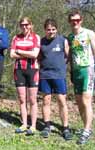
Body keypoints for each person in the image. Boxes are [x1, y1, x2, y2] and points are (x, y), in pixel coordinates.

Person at [39, 19, 72, 140]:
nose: (51, 31)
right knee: (46, 101)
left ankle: (65, 128)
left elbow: (68, 57)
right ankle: (47, 126)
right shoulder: (41, 41)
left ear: (56, 29)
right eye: (48, 29)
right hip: (45, 75)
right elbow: (39, 57)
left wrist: (62, 66)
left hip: (59, 75)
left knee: (61, 101)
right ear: (45, 30)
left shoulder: (63, 40)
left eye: (53, 29)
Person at [67, 10, 95, 144]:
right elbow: (71, 56)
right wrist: (71, 71)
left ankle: (86, 130)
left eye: (77, 20)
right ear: (69, 22)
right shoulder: (70, 37)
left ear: (81, 20)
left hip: (88, 70)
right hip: (76, 72)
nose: (75, 22)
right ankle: (86, 127)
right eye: (73, 20)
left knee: (86, 100)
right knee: (79, 102)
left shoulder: (89, 33)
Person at [10, 17, 40, 135]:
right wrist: (27, 53)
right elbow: (12, 55)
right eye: (22, 25)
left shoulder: (35, 37)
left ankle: (33, 126)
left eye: (27, 24)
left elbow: (35, 54)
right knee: (22, 99)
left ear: (31, 25)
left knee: (33, 100)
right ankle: (24, 124)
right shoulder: (16, 38)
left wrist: (20, 52)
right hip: (19, 70)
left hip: (32, 70)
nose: (24, 27)